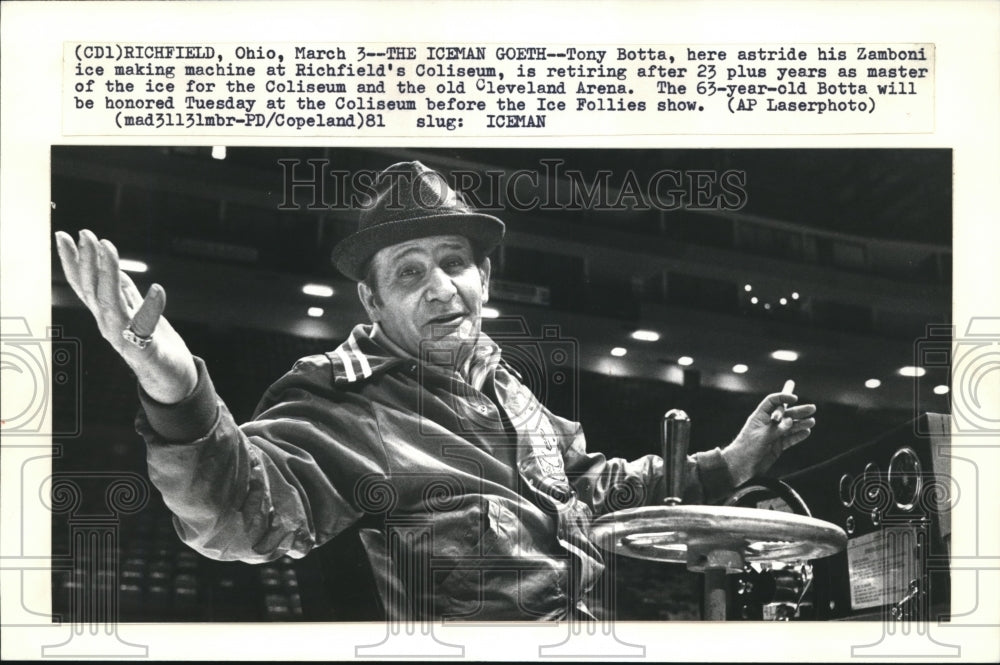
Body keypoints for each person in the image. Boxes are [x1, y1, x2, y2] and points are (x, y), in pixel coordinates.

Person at [54, 160, 816, 621]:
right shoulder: (344, 401)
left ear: (485, 278)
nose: (440, 286)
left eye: (454, 260)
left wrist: (732, 460)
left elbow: (596, 489)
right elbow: (240, 516)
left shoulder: (510, 389)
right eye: (409, 271)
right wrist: (175, 385)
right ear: (375, 304)